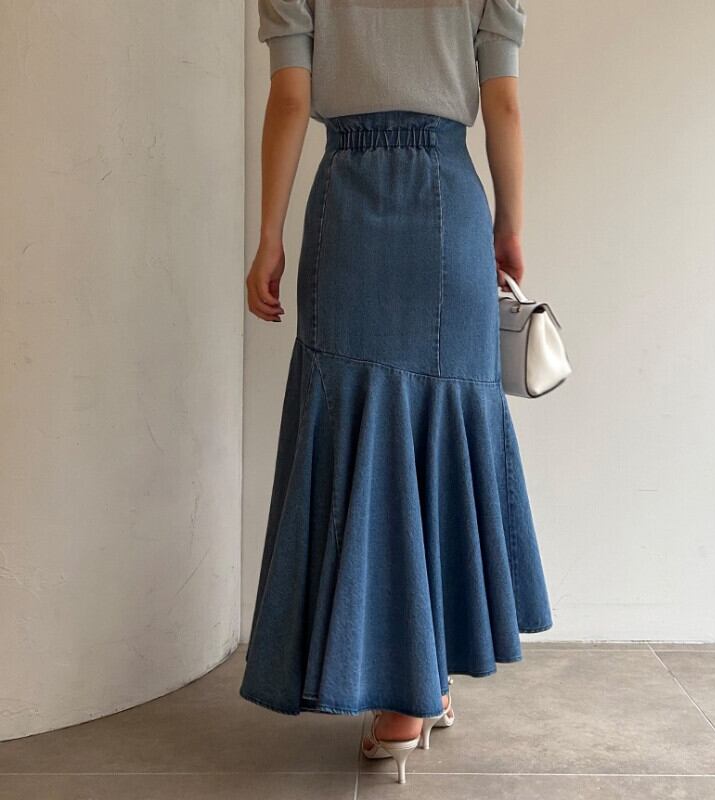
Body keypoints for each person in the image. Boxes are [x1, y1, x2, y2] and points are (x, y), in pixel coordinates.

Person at [239, 0, 553, 784]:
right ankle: (424, 680)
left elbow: (290, 99)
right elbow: (504, 103)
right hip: (449, 207)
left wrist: (269, 234)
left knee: (360, 431)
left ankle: (405, 694)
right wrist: (509, 227)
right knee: (434, 437)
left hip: (346, 205)